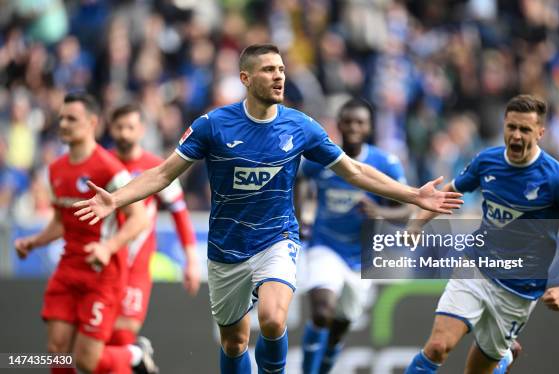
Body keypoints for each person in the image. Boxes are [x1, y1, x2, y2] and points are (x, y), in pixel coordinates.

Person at [73, 44, 463, 374]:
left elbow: (355, 170)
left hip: (277, 238)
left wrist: (414, 194)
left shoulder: (301, 127)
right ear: (245, 78)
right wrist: (115, 199)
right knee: (233, 343)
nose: (279, 77)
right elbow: (162, 174)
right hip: (226, 249)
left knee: (274, 320)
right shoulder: (213, 125)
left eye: (281, 70)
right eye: (268, 70)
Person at [404, 94, 559, 374]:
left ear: (540, 133)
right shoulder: (488, 161)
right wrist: (417, 222)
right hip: (477, 268)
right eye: (512, 127)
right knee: (437, 347)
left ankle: (503, 358)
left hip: (519, 290)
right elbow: (451, 191)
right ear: (504, 126)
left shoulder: (558, 180)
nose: (517, 136)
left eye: (525, 130)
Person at [14, 92, 158, 374]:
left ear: (92, 122)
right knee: (57, 351)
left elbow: (139, 218)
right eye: (62, 118)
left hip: (102, 273)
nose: (64, 124)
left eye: (72, 118)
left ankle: (133, 356)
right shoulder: (56, 169)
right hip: (68, 268)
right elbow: (60, 221)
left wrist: (108, 247)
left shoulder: (109, 168)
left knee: (86, 361)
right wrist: (34, 241)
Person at [298, 97, 414, 374]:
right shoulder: (324, 157)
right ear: (338, 125)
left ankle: (323, 367)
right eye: (347, 122)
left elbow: (407, 211)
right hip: (325, 245)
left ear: (369, 127)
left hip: (362, 256)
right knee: (321, 312)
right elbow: (301, 178)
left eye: (359, 122)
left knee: (339, 328)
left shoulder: (384, 163)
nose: (353, 127)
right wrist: (300, 215)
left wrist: (379, 212)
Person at [107, 103, 201, 347]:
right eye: (119, 127)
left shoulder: (157, 168)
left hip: (136, 264)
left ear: (141, 130)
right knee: (95, 340)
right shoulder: (102, 164)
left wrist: (191, 259)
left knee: (122, 335)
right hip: (104, 263)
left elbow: (179, 211)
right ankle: (137, 356)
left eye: (130, 127)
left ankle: (134, 354)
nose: (124, 133)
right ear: (111, 129)